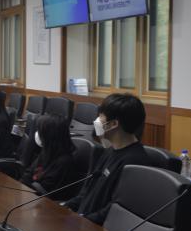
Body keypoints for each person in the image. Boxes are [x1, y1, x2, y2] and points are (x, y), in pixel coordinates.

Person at [64, 93, 152, 224]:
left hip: (97, 230)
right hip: (83, 221)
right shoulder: (109, 151)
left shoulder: (135, 163)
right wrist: (66, 206)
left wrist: (82, 222)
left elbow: (115, 210)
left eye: (100, 116)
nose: (97, 121)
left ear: (113, 124)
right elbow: (87, 191)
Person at [21, 114, 80, 200]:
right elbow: (28, 174)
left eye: (40, 131)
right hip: (29, 196)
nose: (37, 134)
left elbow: (44, 190)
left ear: (49, 135)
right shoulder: (46, 152)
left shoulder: (64, 162)